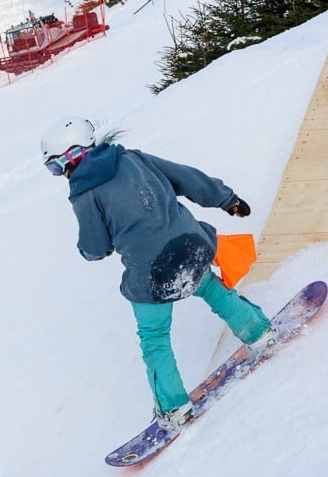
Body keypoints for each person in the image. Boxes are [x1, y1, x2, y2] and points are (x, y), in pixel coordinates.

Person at [41, 116, 275, 431]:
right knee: (212, 289)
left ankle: (174, 407)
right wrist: (226, 199)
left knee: (154, 337)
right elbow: (186, 178)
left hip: (152, 274)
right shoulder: (132, 158)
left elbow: (95, 247)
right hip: (191, 245)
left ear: (75, 157)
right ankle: (260, 333)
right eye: (54, 168)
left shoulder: (84, 194)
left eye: (60, 166)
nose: (63, 173)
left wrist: (88, 250)